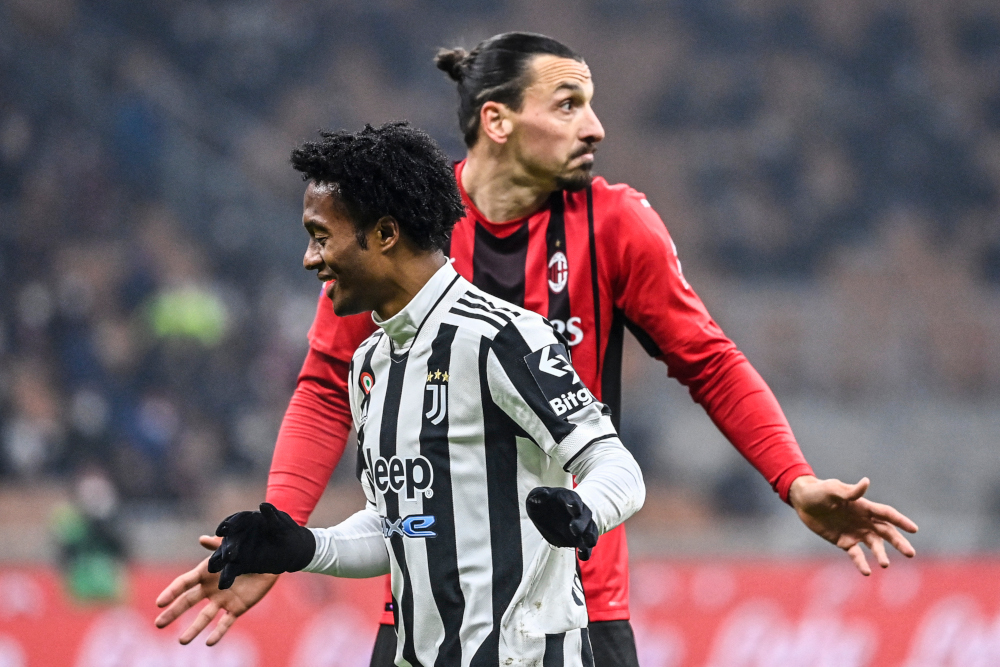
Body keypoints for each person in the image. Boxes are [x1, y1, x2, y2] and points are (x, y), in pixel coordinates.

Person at [155, 32, 918, 666]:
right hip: (432, 603)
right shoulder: (398, 234)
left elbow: (708, 361)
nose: (596, 128)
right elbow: (327, 387)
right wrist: (278, 534)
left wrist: (794, 479)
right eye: (570, 105)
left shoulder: (616, 225)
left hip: (576, 604)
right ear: (497, 121)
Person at [195, 121, 646, 666]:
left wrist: (584, 510)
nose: (310, 259)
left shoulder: (501, 338)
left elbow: (616, 465)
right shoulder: (370, 363)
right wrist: (305, 548)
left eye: (321, 236)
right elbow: (399, 523)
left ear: (385, 234)